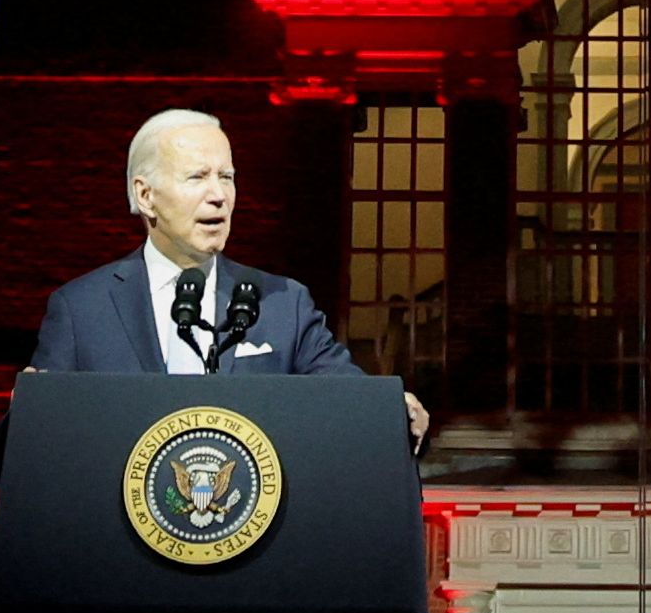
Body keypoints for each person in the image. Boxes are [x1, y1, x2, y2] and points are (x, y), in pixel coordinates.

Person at [26, 107, 430, 452]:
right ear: (146, 195)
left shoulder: (281, 303)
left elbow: (350, 402)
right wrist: (25, 413)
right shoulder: (82, 309)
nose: (219, 195)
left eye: (227, 176)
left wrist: (393, 411)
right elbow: (23, 456)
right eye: (197, 177)